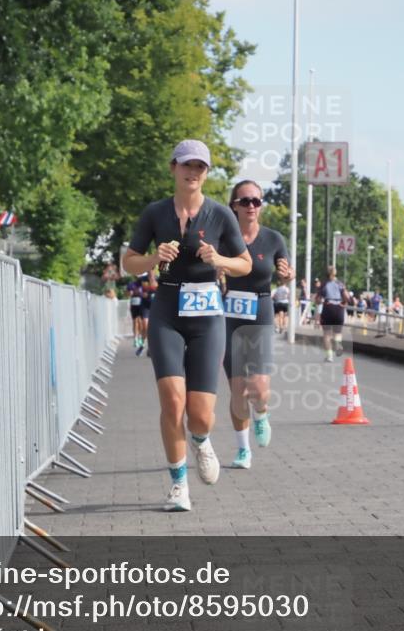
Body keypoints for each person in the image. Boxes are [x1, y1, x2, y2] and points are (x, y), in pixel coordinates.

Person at [123, 140, 252, 511]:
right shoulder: (155, 213)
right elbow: (128, 262)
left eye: (200, 167)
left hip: (207, 313)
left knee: (199, 414)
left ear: (206, 173)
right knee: (172, 400)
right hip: (166, 309)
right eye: (186, 165)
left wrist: (221, 259)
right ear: (173, 169)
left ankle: (201, 440)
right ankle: (179, 484)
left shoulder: (220, 216)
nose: (193, 172)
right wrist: (152, 257)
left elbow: (244, 264)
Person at [222, 180, 293, 470]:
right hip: (230, 315)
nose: (251, 206)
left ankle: (261, 414)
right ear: (234, 206)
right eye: (245, 201)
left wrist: (287, 275)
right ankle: (243, 450)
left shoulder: (273, 238)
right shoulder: (224, 239)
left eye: (256, 201)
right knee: (238, 391)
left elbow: (286, 274)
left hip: (261, 309)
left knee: (259, 388)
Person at [316, 266, 347, 361]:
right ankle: (338, 343)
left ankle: (329, 356)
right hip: (339, 308)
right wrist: (343, 304)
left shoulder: (324, 284)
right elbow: (346, 296)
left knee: (327, 334)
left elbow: (318, 299)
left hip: (328, 307)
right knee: (338, 332)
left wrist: (319, 302)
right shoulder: (340, 284)